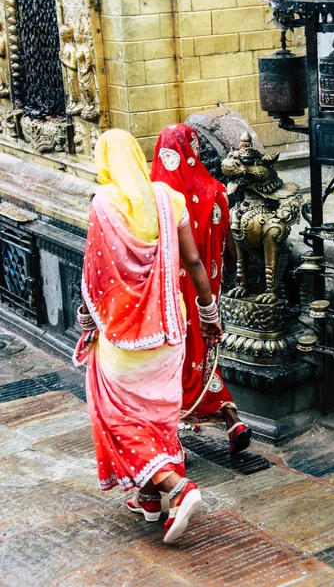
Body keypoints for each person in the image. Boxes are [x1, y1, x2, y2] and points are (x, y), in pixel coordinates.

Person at [74, 129, 223, 544]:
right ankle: (150, 500)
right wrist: (209, 314)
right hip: (170, 332)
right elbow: (194, 261)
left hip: (121, 339)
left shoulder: (102, 204)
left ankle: (176, 487)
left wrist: (87, 326)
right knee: (156, 415)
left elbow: (94, 276)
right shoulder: (167, 198)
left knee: (117, 416)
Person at [151, 124, 252, 456]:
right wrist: (233, 276)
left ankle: (172, 441)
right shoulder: (216, 190)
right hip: (205, 293)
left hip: (169, 298)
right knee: (205, 352)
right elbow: (229, 244)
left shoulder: (157, 198)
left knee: (174, 360)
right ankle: (232, 417)